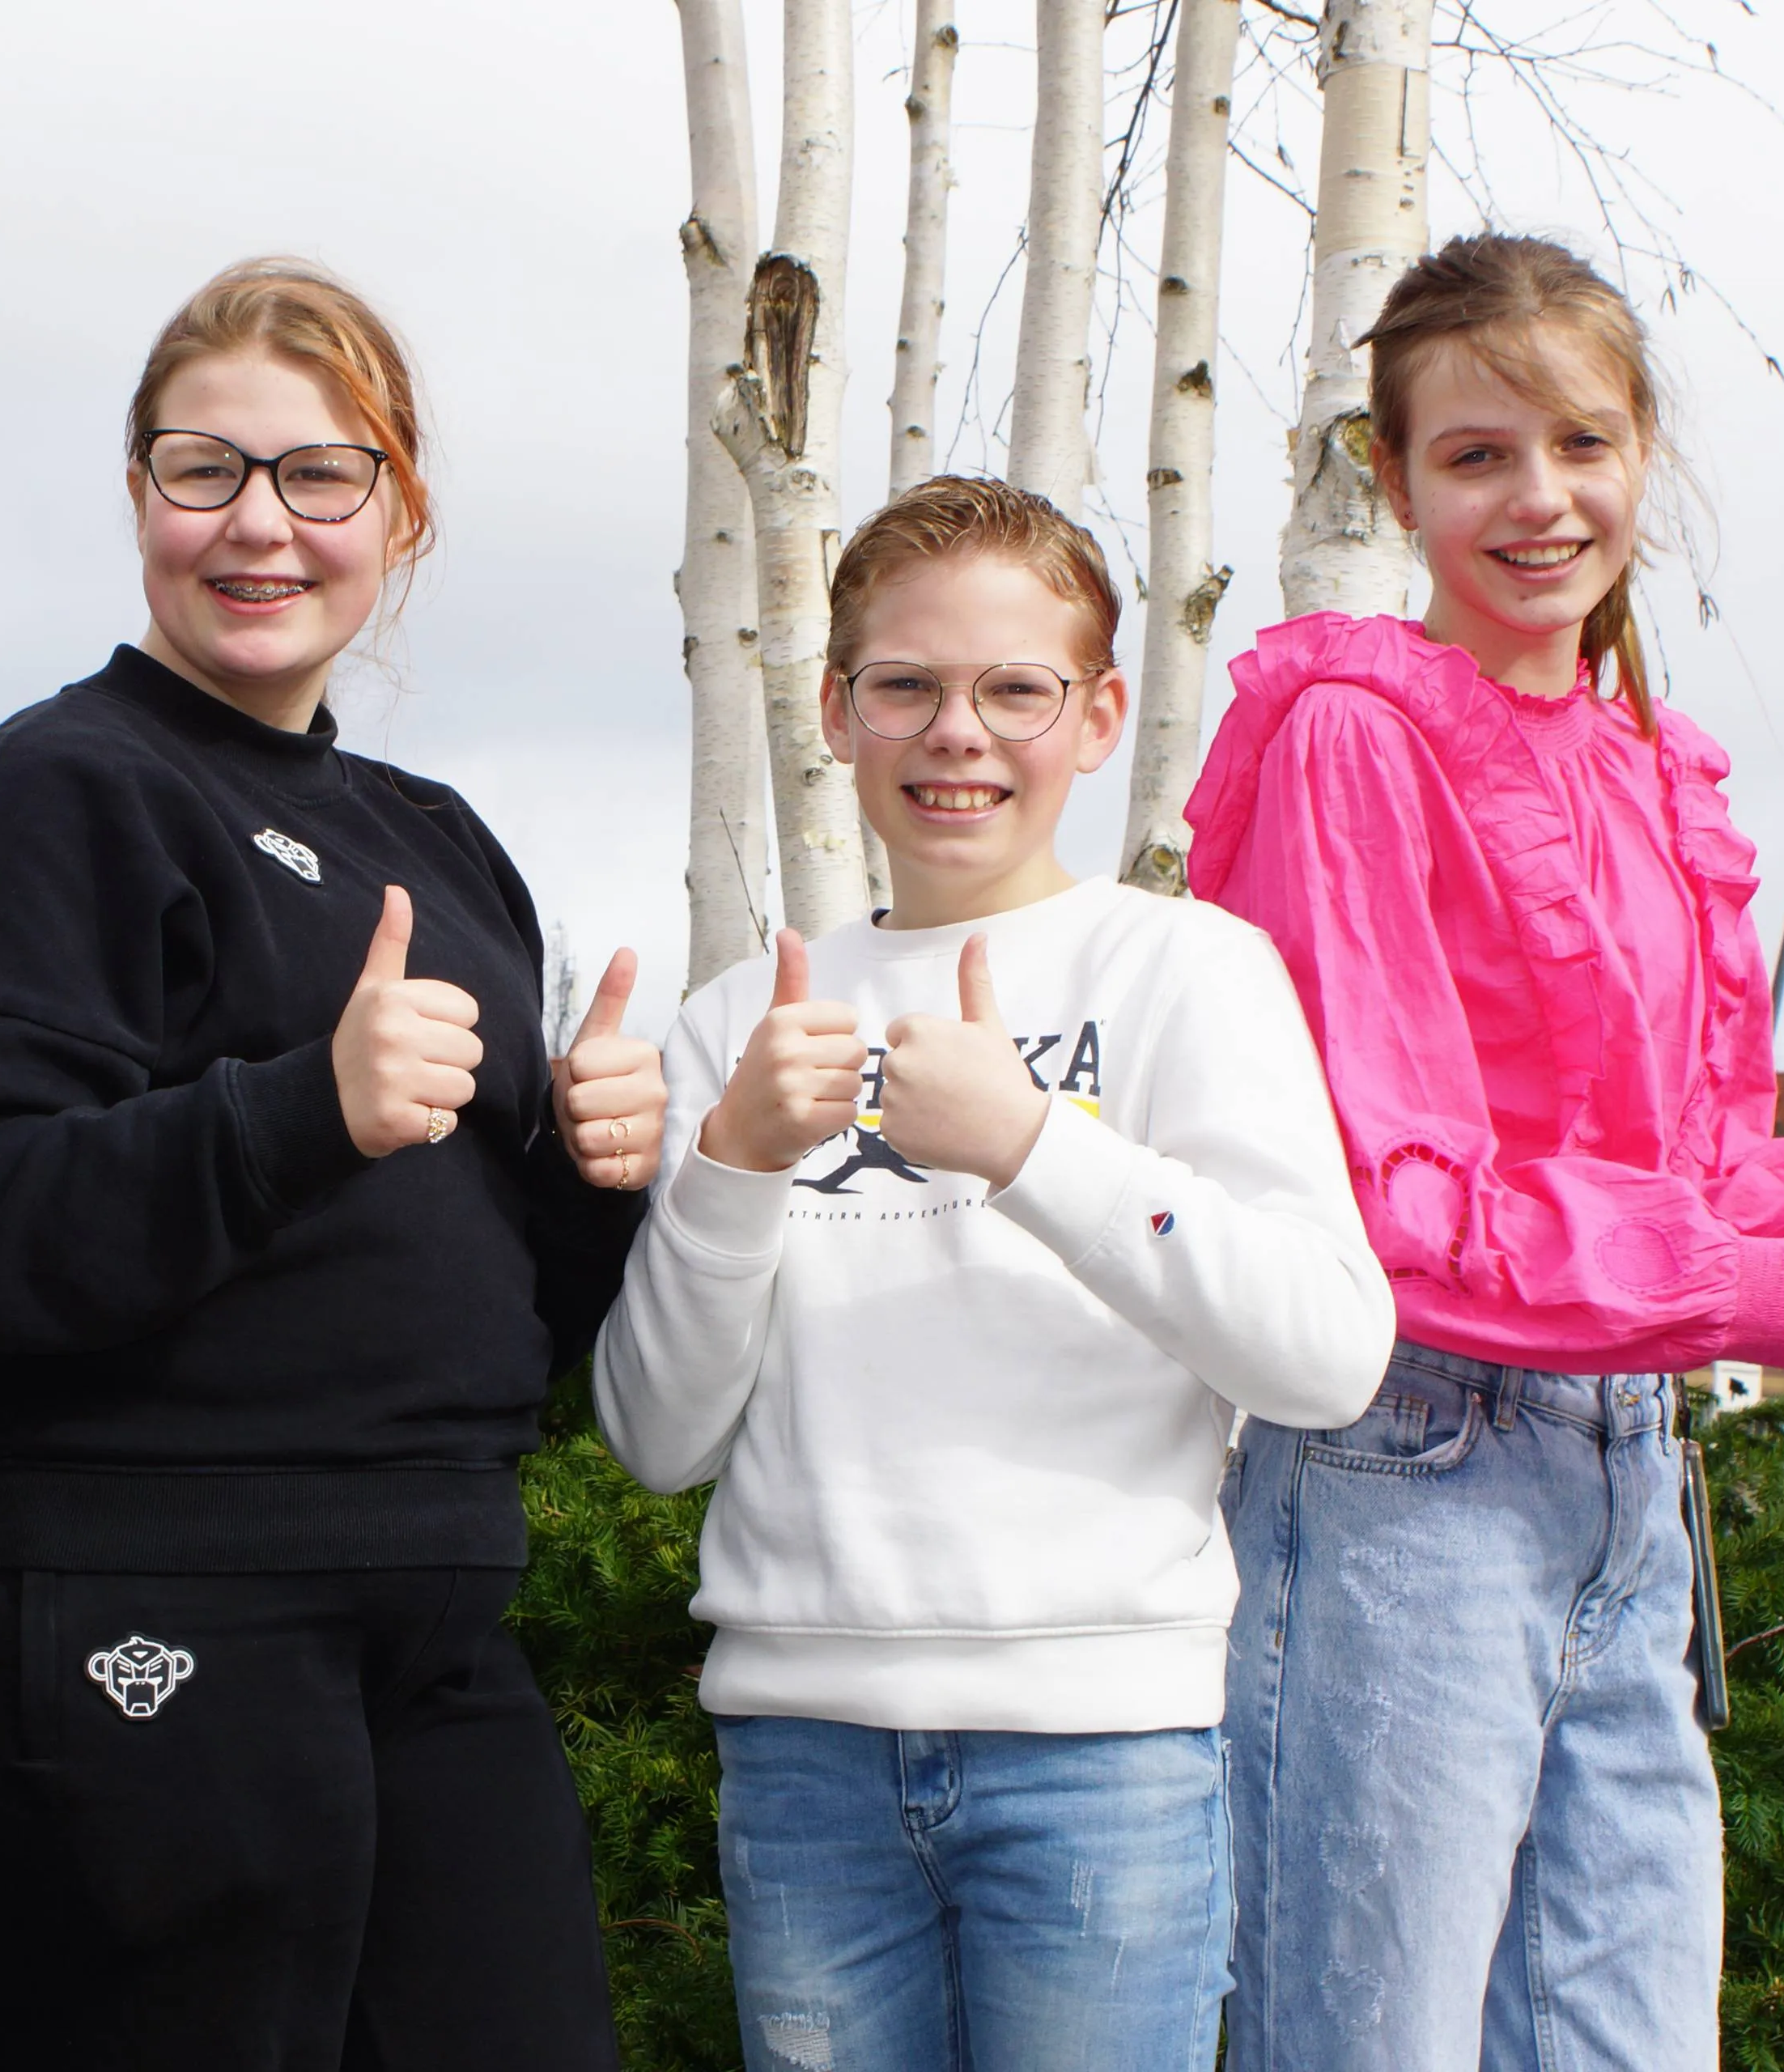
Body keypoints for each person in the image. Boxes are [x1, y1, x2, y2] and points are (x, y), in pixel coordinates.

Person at [1183, 231, 1784, 2070]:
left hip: (1627, 1466)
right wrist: (1781, 1292)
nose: (1540, 498)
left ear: (1642, 455)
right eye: (1477, 454)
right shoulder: (1353, 734)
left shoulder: (1651, 769)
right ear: (1397, 482)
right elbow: (1393, 1204)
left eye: (1581, 443)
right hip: (1405, 1464)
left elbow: (1694, 1176)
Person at [0, 257, 667, 2071]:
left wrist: (602, 1178)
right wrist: (301, 1109)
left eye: (320, 474)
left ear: (399, 511)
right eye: (205, 468)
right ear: (140, 492)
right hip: (128, 1593)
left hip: (429, 1612)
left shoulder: (440, 844)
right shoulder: (48, 794)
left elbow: (498, 1311)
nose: (260, 523)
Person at [594, 474, 1396, 2071]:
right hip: (804, 1756)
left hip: (1105, 1755)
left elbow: (1326, 1351)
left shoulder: (1188, 969)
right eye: (906, 684)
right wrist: (736, 1161)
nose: (957, 731)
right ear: (838, 710)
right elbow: (659, 1436)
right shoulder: (738, 1018)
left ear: (1098, 717)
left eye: (1015, 689)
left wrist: (1032, 1143)